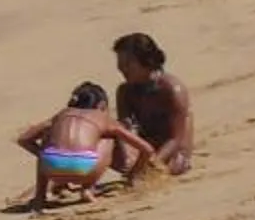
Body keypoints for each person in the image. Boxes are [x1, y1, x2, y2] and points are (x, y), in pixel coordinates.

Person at [17, 81, 159, 209]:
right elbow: (147, 149)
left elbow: (24, 139)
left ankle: (40, 196)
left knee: (48, 141)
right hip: (84, 168)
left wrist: (46, 156)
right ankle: (87, 188)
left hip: (52, 169)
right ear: (102, 106)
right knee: (108, 137)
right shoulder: (103, 117)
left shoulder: (60, 115)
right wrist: (133, 174)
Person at [111, 32, 195, 176]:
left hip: (173, 149)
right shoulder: (125, 92)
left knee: (172, 167)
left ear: (146, 61)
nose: (122, 68)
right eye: (120, 63)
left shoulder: (171, 89)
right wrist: (129, 158)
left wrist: (153, 162)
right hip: (146, 146)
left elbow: (175, 138)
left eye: (128, 63)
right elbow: (124, 129)